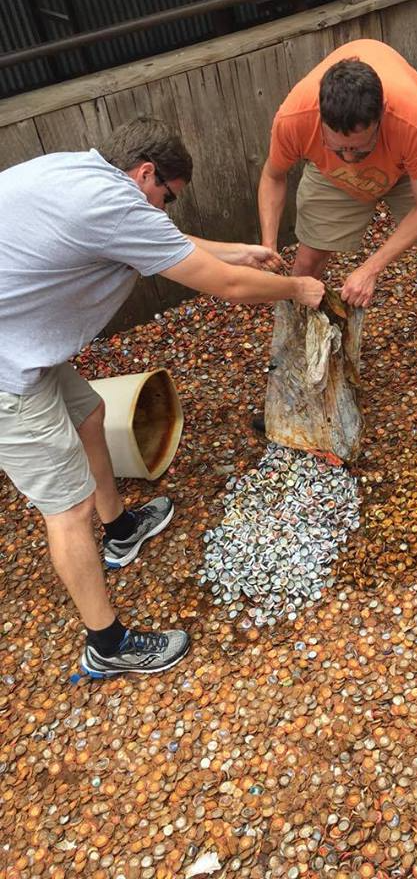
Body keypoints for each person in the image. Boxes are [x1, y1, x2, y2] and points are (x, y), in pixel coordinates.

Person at [0, 116, 324, 680]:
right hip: (8, 372)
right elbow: (226, 287)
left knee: (91, 414)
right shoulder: (112, 206)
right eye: (167, 198)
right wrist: (297, 287)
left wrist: (238, 251)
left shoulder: (79, 173)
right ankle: (107, 645)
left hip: (21, 338)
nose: (164, 210)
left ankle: (121, 529)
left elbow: (155, 240)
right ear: (146, 173)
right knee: (67, 509)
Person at [258, 38, 417, 419]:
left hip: (408, 167)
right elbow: (273, 176)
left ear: (381, 117)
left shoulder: (410, 118)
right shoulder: (295, 117)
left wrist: (371, 268)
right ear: (321, 121)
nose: (351, 158)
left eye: (359, 150)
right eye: (339, 148)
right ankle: (294, 377)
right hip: (331, 179)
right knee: (306, 264)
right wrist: (268, 244)